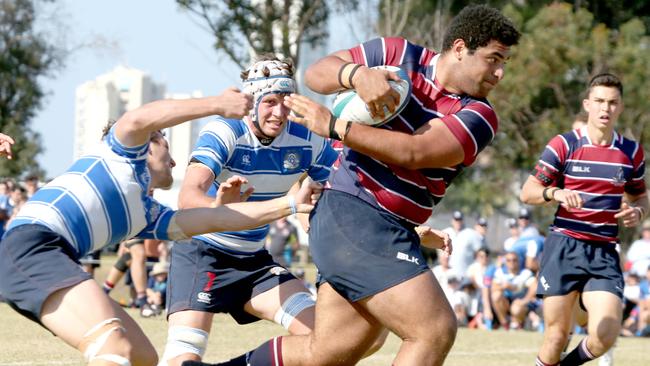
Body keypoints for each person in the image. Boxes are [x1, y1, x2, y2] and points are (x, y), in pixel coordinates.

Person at [187, 5, 521, 366]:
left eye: (504, 62)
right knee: (434, 329)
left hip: (381, 227)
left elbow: (415, 151)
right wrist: (357, 74)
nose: (500, 73)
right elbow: (318, 74)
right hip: (355, 214)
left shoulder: (479, 116)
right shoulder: (397, 53)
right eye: (493, 59)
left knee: (331, 350)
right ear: (459, 48)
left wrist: (337, 127)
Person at [0, 89, 320, 366]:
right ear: (150, 143)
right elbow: (140, 118)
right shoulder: (120, 154)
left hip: (45, 257)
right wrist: (217, 104)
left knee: (143, 356)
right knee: (113, 346)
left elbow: (215, 221)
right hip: (32, 245)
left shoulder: (147, 214)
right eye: (167, 146)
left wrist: (290, 204)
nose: (174, 162)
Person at [159, 55, 339, 366]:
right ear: (252, 101)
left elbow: (348, 193)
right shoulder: (226, 130)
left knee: (327, 343)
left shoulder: (306, 138)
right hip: (203, 255)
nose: (279, 112)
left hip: (253, 263)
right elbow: (188, 199)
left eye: (286, 101)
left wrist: (411, 232)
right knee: (181, 360)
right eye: (270, 101)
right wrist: (218, 208)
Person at [520, 73, 649, 366]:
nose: (606, 109)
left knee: (606, 335)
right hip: (564, 246)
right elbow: (527, 192)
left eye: (613, 103)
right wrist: (556, 193)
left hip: (603, 251)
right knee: (555, 337)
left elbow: (641, 197)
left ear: (621, 107)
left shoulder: (630, 152)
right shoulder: (564, 145)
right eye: (600, 101)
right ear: (587, 104)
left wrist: (638, 211)